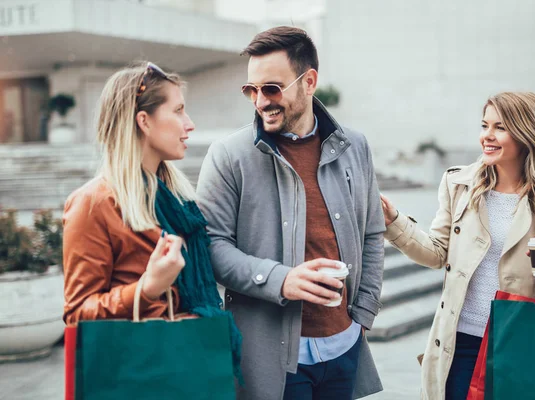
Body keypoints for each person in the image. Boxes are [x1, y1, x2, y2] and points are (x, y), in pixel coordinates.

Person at [196, 26, 385, 400]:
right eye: (252, 90)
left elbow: (373, 234)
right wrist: (280, 280)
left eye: (272, 88)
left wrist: (362, 313)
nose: (260, 101)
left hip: (344, 346)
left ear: (309, 81)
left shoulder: (356, 146)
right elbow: (211, 246)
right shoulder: (227, 155)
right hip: (270, 355)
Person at [380, 92, 535, 400]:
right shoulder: (459, 184)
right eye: (484, 125)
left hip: (523, 341)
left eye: (499, 127)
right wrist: (394, 222)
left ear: (526, 132)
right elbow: (437, 252)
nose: (487, 136)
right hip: (462, 341)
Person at [62, 62, 241, 377]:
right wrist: (147, 288)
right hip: (140, 373)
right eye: (178, 111)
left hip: (193, 364)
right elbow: (77, 314)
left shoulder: (178, 201)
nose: (190, 124)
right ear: (144, 121)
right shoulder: (92, 205)